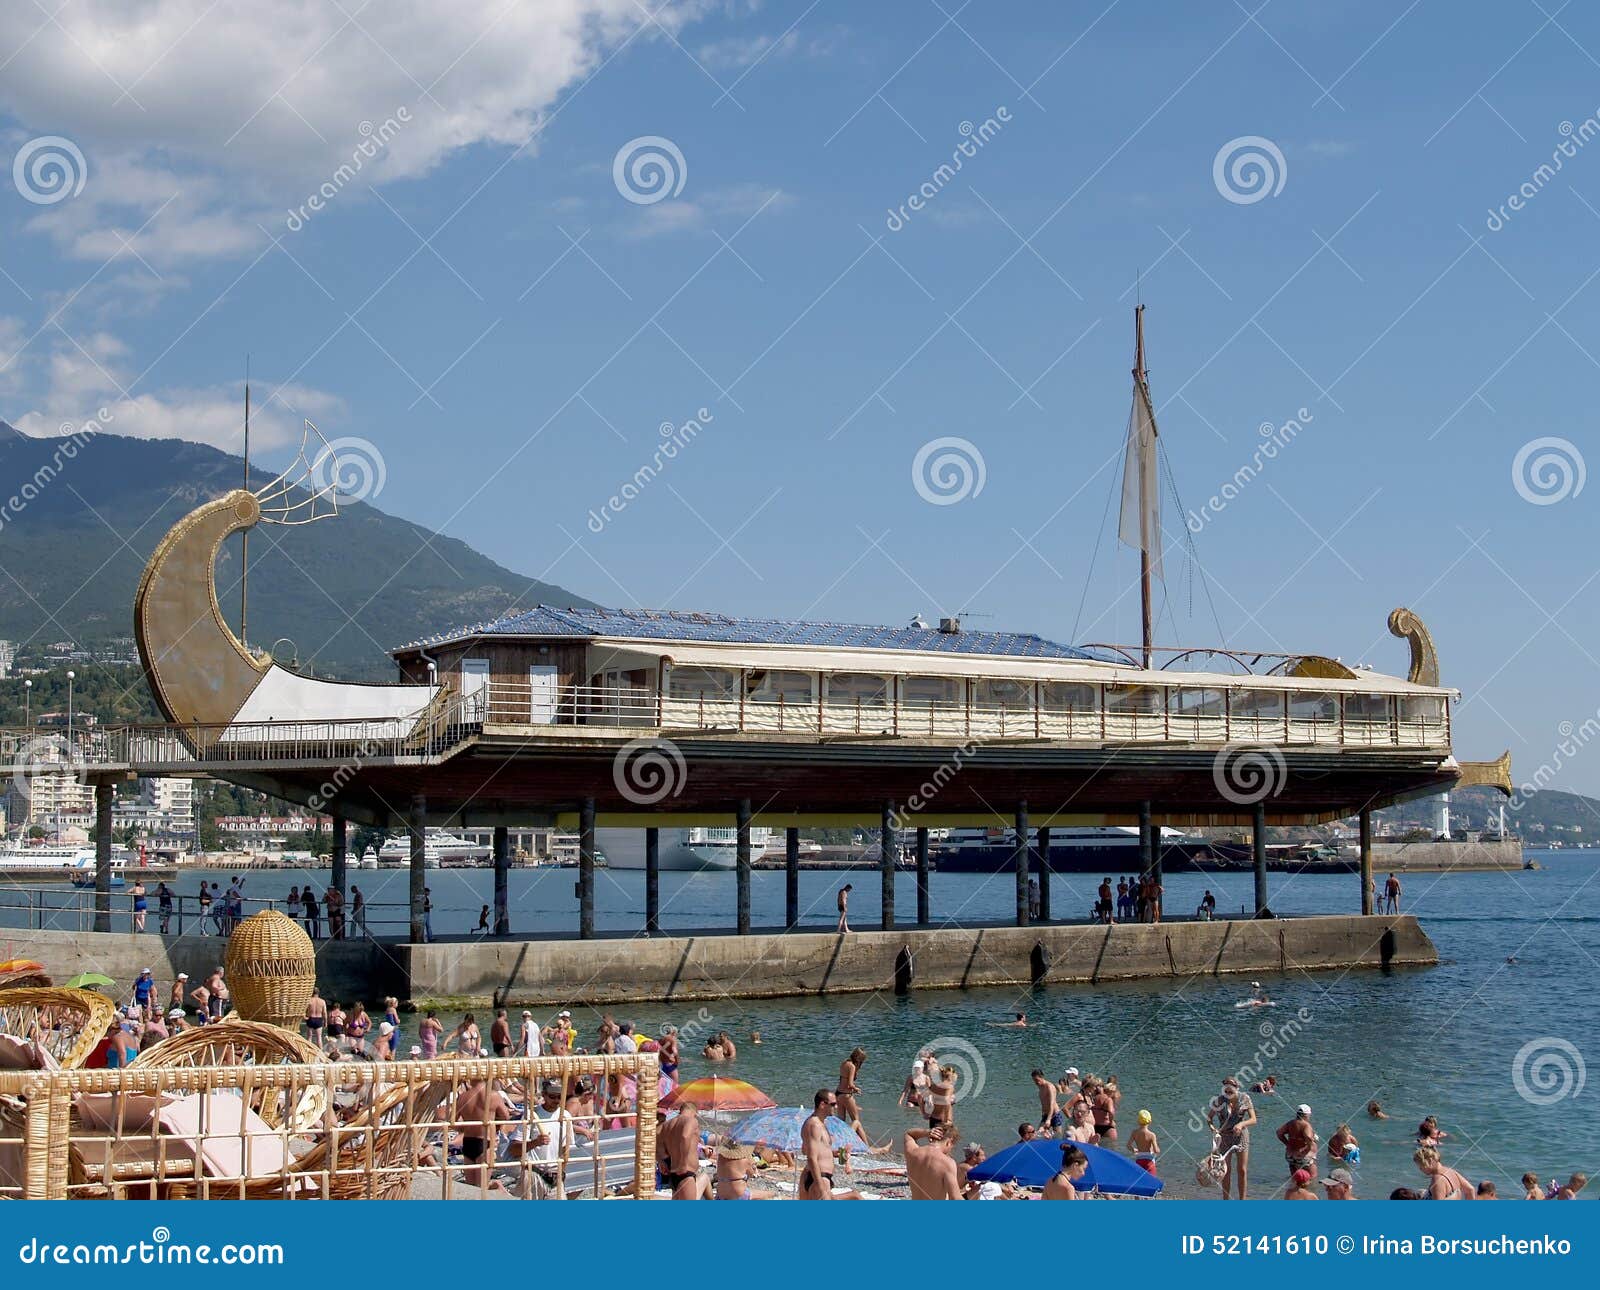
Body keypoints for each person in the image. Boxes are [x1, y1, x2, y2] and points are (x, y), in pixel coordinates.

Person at [1212, 1079, 1256, 1199]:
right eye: (1225, 1090)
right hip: (1225, 1137)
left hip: (1241, 1136)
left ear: (1236, 1088)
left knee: (1242, 1170)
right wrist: (1214, 1129)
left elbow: (1253, 1119)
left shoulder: (1245, 1098)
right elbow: (1209, 1118)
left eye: (1230, 1090)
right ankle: (1226, 1199)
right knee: (1226, 1171)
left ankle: (1243, 1200)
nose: (1227, 1092)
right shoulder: (1219, 1100)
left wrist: (1241, 1124)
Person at [658, 1098, 703, 1199]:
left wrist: (661, 1162)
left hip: (673, 1173)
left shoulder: (667, 1124)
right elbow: (685, 1136)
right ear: (695, 1112)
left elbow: (656, 1143)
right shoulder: (692, 1120)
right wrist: (683, 1162)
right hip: (686, 1171)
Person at [904, 1123, 962, 1199]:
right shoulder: (948, 1163)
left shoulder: (912, 1152)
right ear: (949, 1142)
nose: (950, 1150)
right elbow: (956, 1198)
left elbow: (908, 1134)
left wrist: (926, 1132)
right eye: (952, 1147)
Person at [800, 1091, 836, 1199]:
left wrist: (835, 1153)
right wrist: (820, 1185)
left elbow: (804, 1150)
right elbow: (811, 1157)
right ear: (822, 1104)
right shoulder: (814, 1125)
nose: (836, 1107)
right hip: (819, 1177)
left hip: (820, 1177)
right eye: (833, 1104)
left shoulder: (820, 1124)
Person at [1277, 1104, 1318, 1178]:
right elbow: (1308, 1137)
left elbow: (1279, 1132)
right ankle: (1305, 1190)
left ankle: (1294, 1189)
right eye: (1309, 1115)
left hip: (1290, 1155)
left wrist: (1287, 1144)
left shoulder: (1291, 1123)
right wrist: (1308, 1148)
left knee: (1295, 1178)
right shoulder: (1306, 1125)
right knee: (1312, 1178)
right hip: (1303, 1156)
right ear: (1306, 1115)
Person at [837, 1047, 869, 1143]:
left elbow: (843, 1080)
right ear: (858, 1057)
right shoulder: (852, 1066)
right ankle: (866, 1146)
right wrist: (856, 1089)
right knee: (856, 1121)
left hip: (838, 1094)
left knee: (841, 1122)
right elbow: (850, 1084)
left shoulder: (844, 1063)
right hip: (847, 1095)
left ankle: (839, 1142)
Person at [1128, 1109, 1159, 1175]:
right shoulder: (1152, 1135)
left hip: (1139, 1160)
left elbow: (1128, 1145)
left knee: (1139, 1181)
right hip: (1149, 1161)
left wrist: (1134, 1150)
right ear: (1150, 1121)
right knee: (1151, 1182)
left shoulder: (1134, 1133)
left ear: (1138, 1121)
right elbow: (1156, 1150)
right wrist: (1156, 1150)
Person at [1033, 1069, 1062, 1135]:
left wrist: (1049, 1119)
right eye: (1034, 1080)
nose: (1036, 1082)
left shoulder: (1049, 1086)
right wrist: (1043, 1115)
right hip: (1045, 1115)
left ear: (1042, 1077)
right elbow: (1043, 1103)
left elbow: (1051, 1104)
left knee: (1058, 1136)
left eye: (1037, 1080)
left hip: (1055, 1115)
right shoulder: (1040, 1087)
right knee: (1039, 1134)